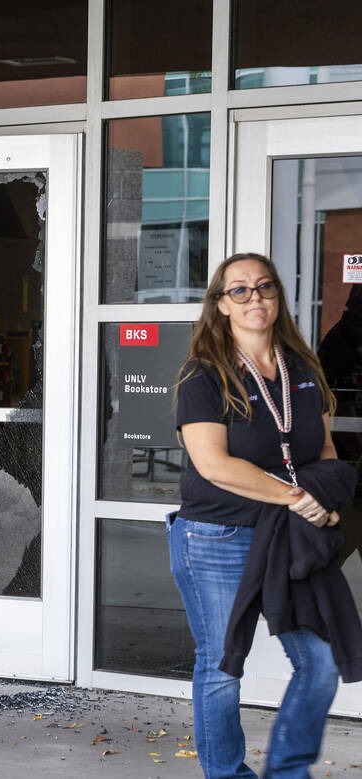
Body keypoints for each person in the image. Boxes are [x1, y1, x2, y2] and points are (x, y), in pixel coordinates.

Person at [170, 252, 360, 778]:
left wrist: (322, 502)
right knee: (222, 667)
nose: (255, 298)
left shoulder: (302, 369)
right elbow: (214, 465)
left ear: (278, 297)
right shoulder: (203, 376)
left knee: (320, 664)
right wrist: (298, 498)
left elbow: (322, 450)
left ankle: (287, 771)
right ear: (221, 306)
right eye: (240, 290)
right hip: (217, 536)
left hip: (290, 537)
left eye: (265, 287)